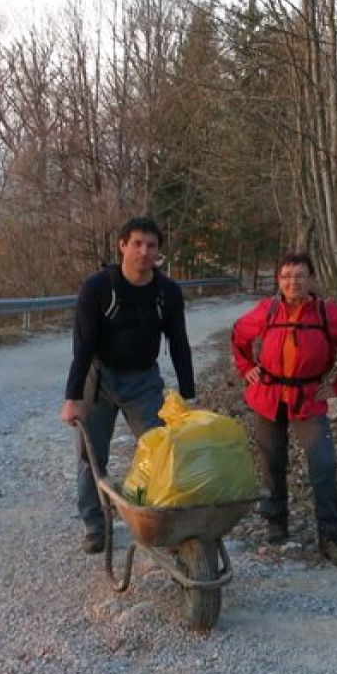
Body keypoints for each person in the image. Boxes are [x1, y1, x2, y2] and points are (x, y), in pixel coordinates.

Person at [60, 216, 195, 553]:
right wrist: (74, 396)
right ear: (122, 246)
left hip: (143, 381)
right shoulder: (98, 288)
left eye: (151, 246)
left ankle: (160, 520)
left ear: (158, 251)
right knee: (91, 457)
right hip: (99, 378)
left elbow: (179, 343)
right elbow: (83, 345)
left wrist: (188, 394)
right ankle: (96, 525)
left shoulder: (167, 293)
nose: (144, 252)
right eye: (137, 244)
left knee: (161, 451)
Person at [230, 251, 337, 567]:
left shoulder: (327, 313)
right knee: (272, 461)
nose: (293, 282)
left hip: (309, 397)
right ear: (279, 280)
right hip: (269, 394)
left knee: (323, 463)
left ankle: (330, 537)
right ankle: (276, 522)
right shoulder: (268, 310)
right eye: (287, 276)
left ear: (311, 279)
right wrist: (246, 367)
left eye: (300, 276)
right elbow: (238, 335)